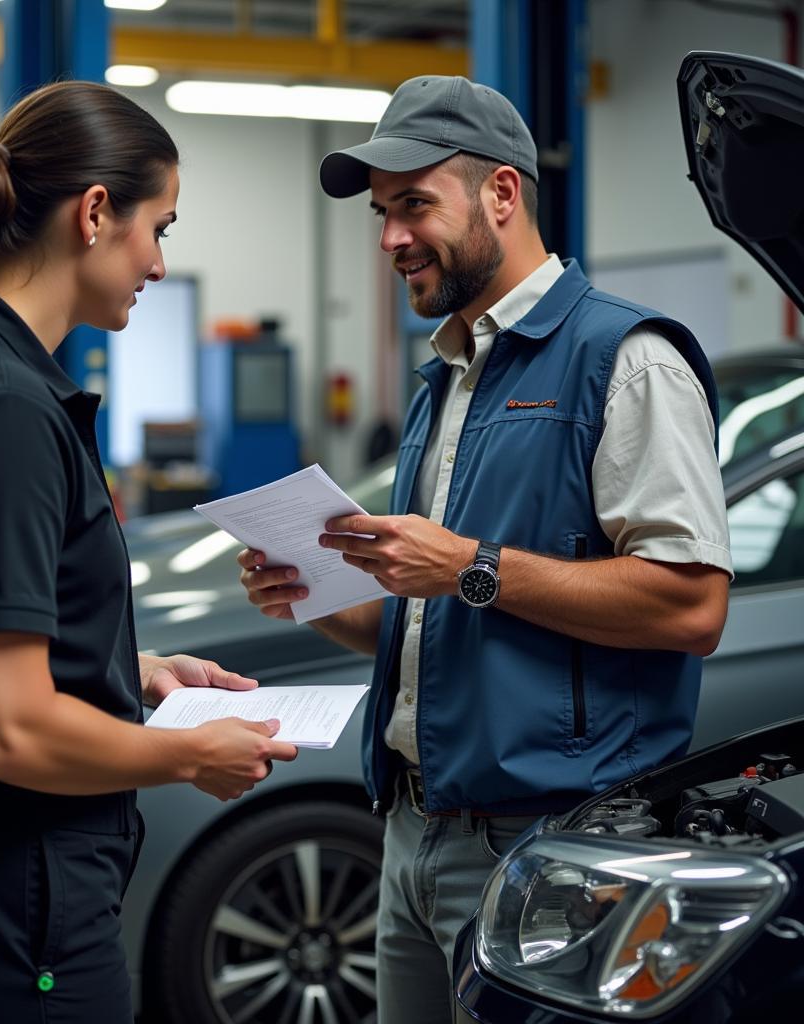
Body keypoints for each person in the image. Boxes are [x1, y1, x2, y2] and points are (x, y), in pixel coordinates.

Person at [237, 75, 731, 1023]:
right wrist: (314, 594)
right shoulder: (447, 379)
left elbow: (690, 607)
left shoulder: (626, 361)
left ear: (501, 194)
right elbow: (439, 620)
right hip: (410, 836)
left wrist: (471, 562)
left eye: (414, 205)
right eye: (383, 214)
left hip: (550, 850)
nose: (389, 239)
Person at [0, 80, 297, 1024]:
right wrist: (187, 756)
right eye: (158, 228)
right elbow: (1, 730)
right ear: (94, 214)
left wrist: (126, 669)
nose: (160, 264)